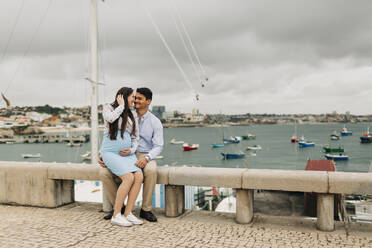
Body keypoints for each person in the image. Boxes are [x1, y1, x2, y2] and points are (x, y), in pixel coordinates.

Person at [99, 87, 164, 222]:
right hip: (123, 153)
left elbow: (158, 145)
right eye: (134, 98)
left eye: (139, 99)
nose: (135, 101)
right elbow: (110, 132)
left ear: (148, 101)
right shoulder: (126, 112)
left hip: (144, 153)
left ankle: (145, 210)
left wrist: (147, 158)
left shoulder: (155, 121)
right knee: (104, 174)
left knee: (151, 171)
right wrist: (103, 153)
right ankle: (119, 208)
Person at [100, 87, 144, 227]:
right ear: (124, 97)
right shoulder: (108, 107)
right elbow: (110, 119)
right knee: (128, 177)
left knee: (139, 176)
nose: (134, 100)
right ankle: (116, 215)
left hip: (127, 154)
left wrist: (131, 150)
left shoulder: (133, 114)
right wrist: (121, 107)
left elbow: (136, 137)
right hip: (111, 152)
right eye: (132, 97)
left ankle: (128, 213)